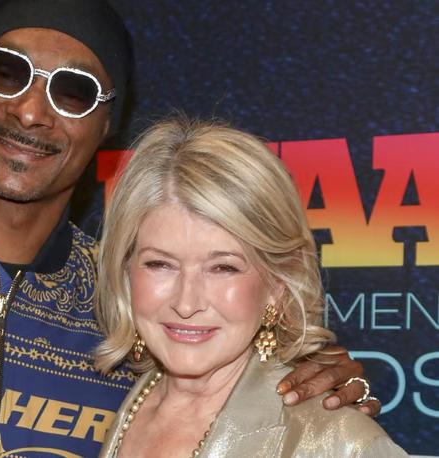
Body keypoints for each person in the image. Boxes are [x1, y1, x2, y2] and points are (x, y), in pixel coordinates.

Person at [0, 1, 376, 457]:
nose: (29, 110)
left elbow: (231, 388)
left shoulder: (122, 305)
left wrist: (316, 390)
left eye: (73, 91)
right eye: (9, 72)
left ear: (107, 122)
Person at [95, 117, 407, 457]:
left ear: (278, 284)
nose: (186, 303)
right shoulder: (105, 393)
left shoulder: (338, 443)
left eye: (223, 268)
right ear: (125, 271)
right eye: (160, 264)